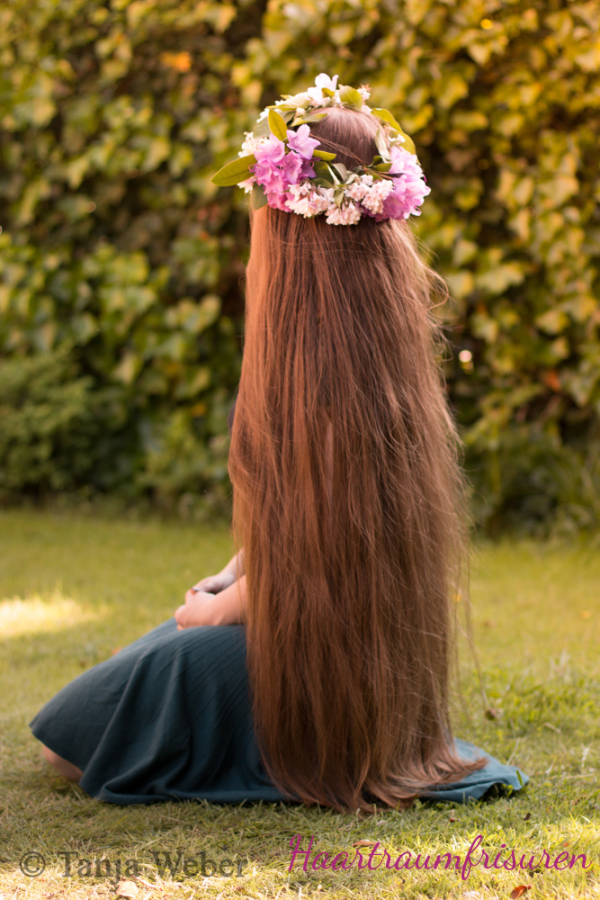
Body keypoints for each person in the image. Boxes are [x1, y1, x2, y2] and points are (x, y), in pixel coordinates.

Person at [30, 75, 528, 811]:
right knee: (117, 684)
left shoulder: (317, 372)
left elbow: (322, 553)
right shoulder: (387, 366)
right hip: (356, 655)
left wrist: (219, 611)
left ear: (290, 231)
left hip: (312, 661)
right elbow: (301, 518)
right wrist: (233, 578)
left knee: (68, 738)